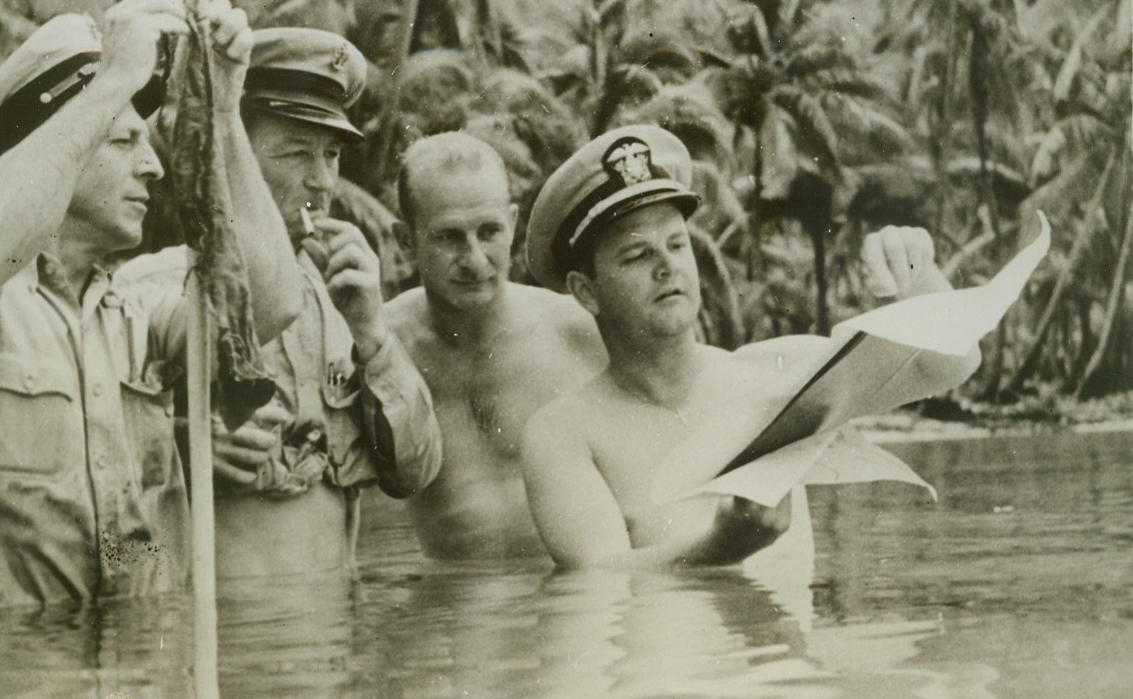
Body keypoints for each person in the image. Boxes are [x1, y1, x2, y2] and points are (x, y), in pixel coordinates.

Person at [0, 0, 300, 609]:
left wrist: (227, 112)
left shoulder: (134, 310)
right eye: (124, 141)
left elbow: (269, 302)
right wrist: (117, 75)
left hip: (130, 664)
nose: (153, 167)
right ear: (50, 150)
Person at [520, 124, 979, 570]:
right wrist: (721, 547)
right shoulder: (563, 434)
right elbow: (594, 580)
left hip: (788, 649)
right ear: (586, 292)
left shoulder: (772, 377)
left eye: (677, 244)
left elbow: (951, 364)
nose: (667, 266)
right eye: (637, 255)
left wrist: (919, 273)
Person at [119, 28, 441, 579]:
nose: (323, 181)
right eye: (297, 153)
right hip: (231, 648)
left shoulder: (342, 300)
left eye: (332, 155)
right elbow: (104, 520)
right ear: (230, 159)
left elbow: (414, 474)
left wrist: (372, 335)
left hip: (334, 643)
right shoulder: (152, 289)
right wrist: (178, 447)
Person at [387, 132, 608, 559]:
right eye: (448, 237)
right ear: (406, 240)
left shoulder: (579, 331)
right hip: (455, 613)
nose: (474, 259)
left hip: (577, 605)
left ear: (512, 223)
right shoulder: (384, 346)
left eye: (488, 231)